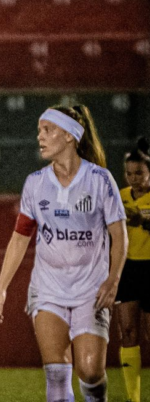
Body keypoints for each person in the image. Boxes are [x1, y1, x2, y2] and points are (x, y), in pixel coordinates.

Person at [0, 105, 128, 402]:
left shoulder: (100, 180)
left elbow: (119, 235)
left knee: (90, 371)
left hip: (91, 289)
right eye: (39, 130)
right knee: (56, 372)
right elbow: (19, 238)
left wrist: (113, 279)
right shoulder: (36, 183)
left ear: (69, 135)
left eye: (47, 130)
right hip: (49, 289)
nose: (40, 136)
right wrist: (1, 289)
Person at [116, 136, 150, 402]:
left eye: (139, 172)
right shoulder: (121, 196)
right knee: (128, 332)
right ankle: (134, 398)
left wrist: (142, 220)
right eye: (129, 173)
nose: (133, 178)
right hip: (128, 269)